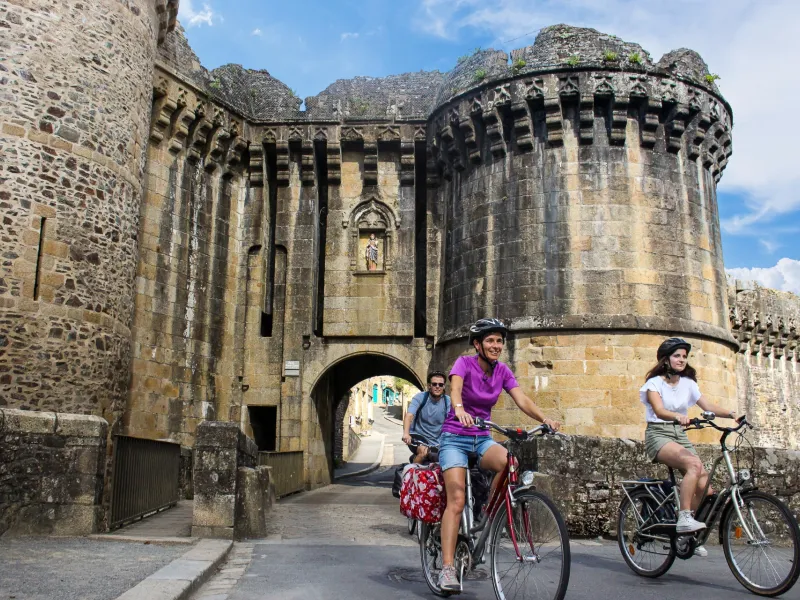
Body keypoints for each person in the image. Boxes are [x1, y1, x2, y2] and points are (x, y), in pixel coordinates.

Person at [437, 318, 562, 592]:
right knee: (456, 500)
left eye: (499, 341)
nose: (496, 345)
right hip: (455, 437)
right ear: (477, 344)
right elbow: (455, 389)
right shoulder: (463, 364)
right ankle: (447, 569)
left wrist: (545, 419)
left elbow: (522, 399)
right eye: (490, 340)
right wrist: (459, 409)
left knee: (510, 463)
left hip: (482, 438)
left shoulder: (502, 371)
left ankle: (488, 510)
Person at [640, 337, 742, 557]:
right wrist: (677, 416)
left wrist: (731, 414)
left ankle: (686, 534)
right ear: (666, 359)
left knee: (706, 489)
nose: (682, 360)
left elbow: (707, 406)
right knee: (694, 465)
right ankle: (685, 517)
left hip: (680, 435)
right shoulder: (654, 384)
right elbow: (659, 411)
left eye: (684, 356)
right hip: (659, 434)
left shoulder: (688, 384)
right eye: (677, 356)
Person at [402, 371, 451, 464]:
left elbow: (451, 420)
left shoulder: (447, 401)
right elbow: (409, 415)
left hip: (437, 440)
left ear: (444, 386)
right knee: (423, 452)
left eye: (440, 384)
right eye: (434, 384)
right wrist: (406, 434)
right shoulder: (420, 398)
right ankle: (413, 470)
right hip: (418, 436)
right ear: (429, 386)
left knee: (446, 457)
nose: (437, 387)